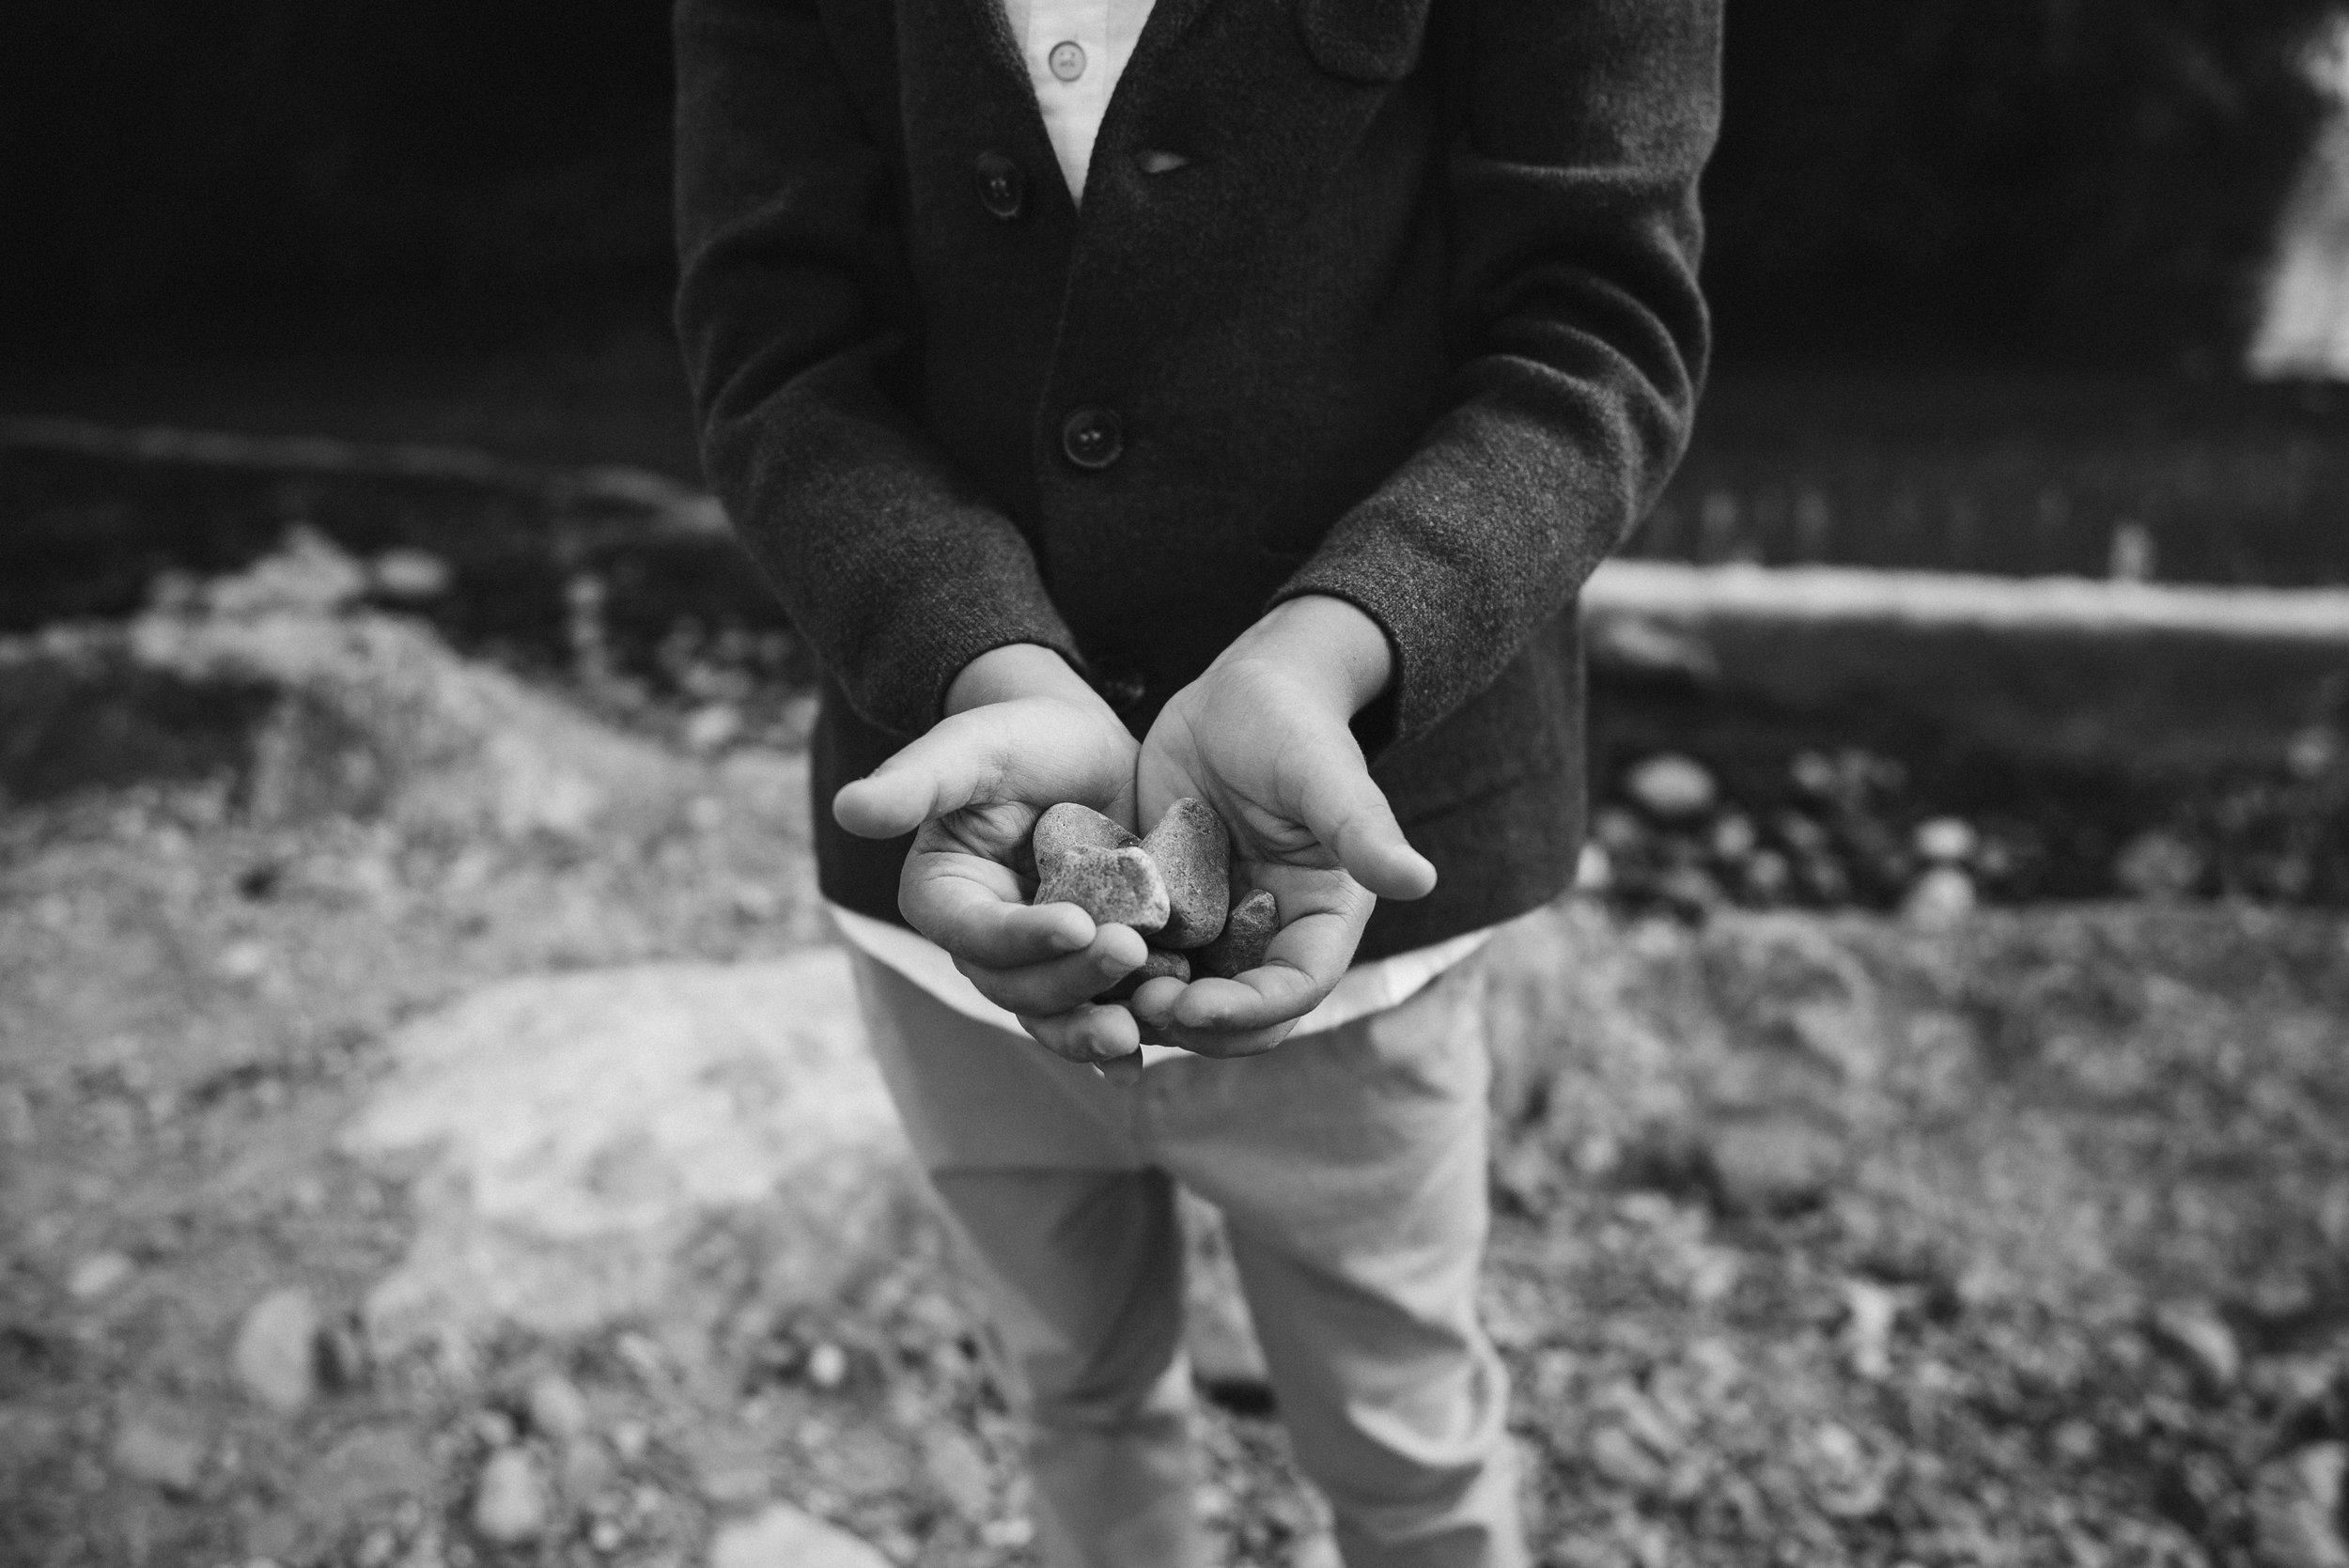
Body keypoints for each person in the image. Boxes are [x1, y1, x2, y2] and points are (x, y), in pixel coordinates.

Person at [672, 0, 1720, 1561]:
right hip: (959, 876)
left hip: (1357, 884)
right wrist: (979, 654)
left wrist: (1335, 646)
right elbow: (782, 350)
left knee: (1406, 1440)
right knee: (1072, 1395)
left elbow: (1599, 324)